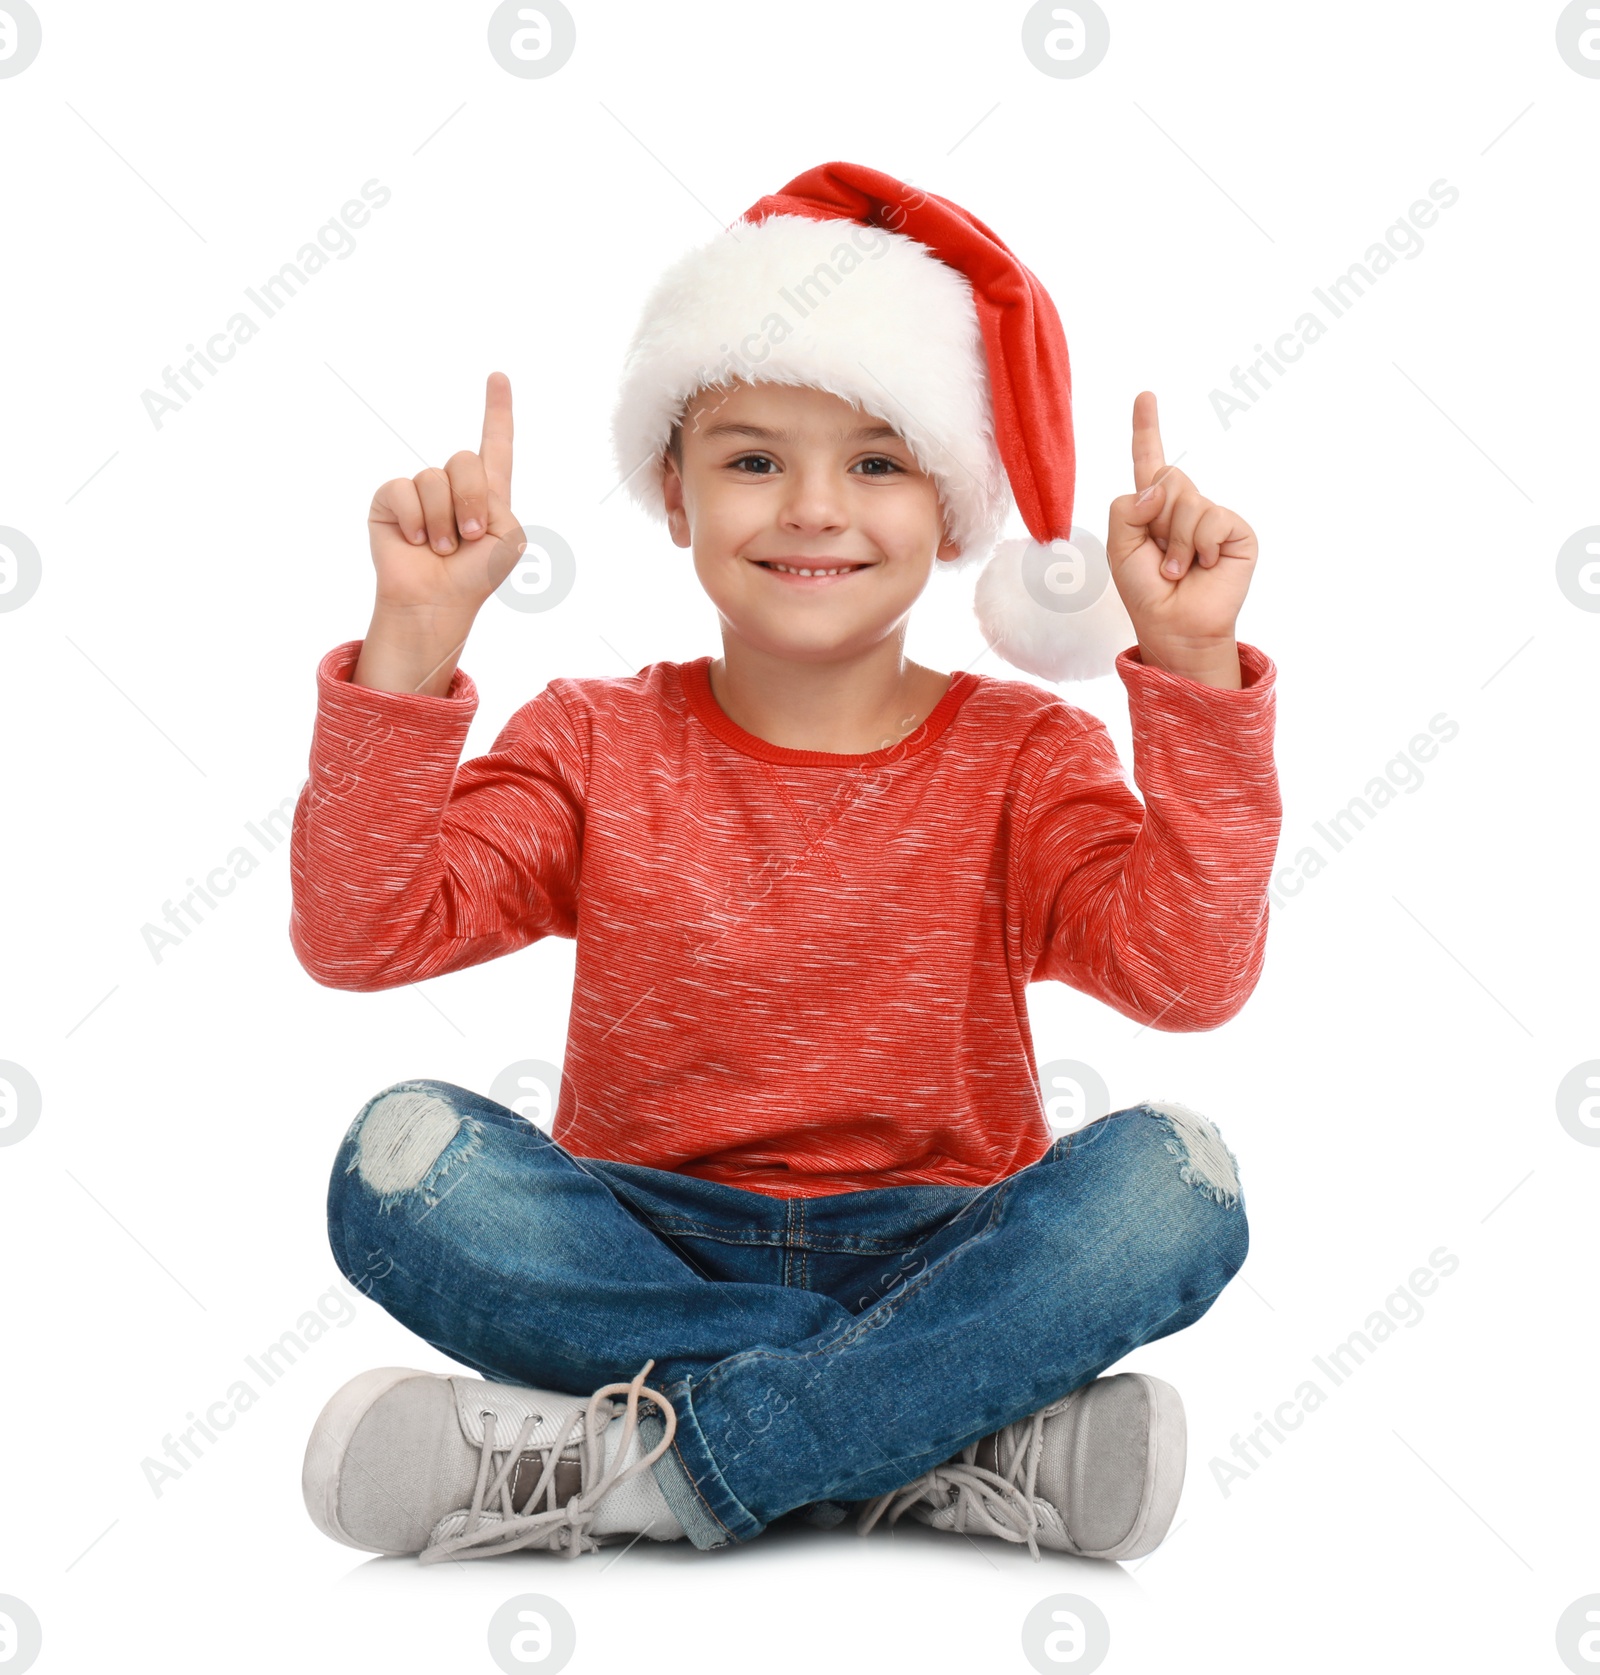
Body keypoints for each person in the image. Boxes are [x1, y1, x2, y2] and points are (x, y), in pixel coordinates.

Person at [290, 161, 1281, 1566]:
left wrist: (1187, 667)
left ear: (949, 514)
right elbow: (360, 933)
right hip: (637, 1248)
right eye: (753, 458)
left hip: (947, 1246)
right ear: (675, 499)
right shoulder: (590, 738)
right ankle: (944, 1432)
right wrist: (412, 643)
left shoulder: (1024, 755)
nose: (814, 507)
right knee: (398, 1162)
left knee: (1178, 1182)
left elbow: (1190, 980)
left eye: (877, 462)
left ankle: (648, 1463)